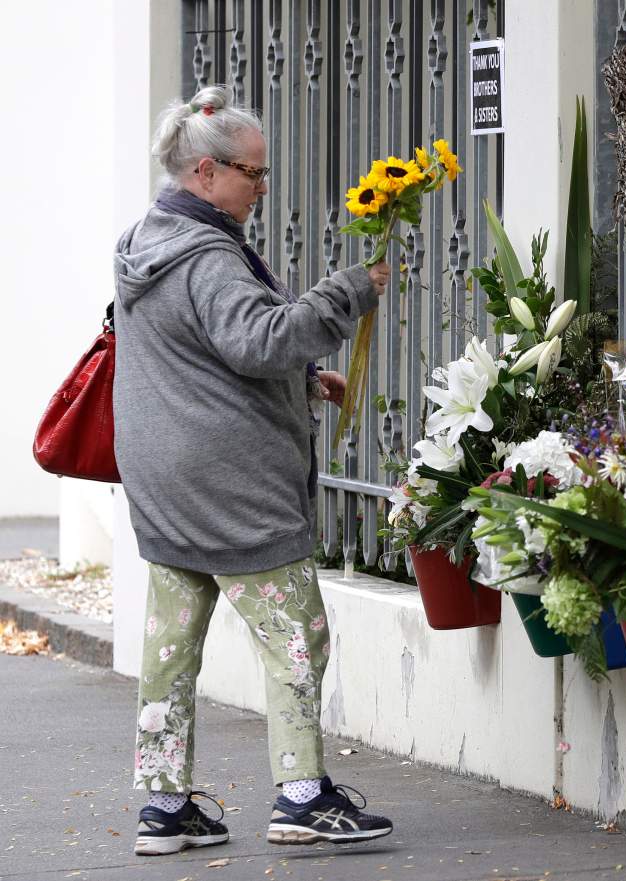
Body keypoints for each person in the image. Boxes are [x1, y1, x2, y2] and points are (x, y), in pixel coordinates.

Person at [113, 85, 393, 856]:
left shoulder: (145, 238)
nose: (262, 188)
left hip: (167, 484)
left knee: (170, 651)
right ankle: (303, 795)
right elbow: (258, 339)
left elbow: (196, 354)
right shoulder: (206, 256)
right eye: (253, 174)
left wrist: (302, 384)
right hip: (233, 489)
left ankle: (165, 808)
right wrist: (347, 294)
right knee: (298, 637)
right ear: (205, 171)